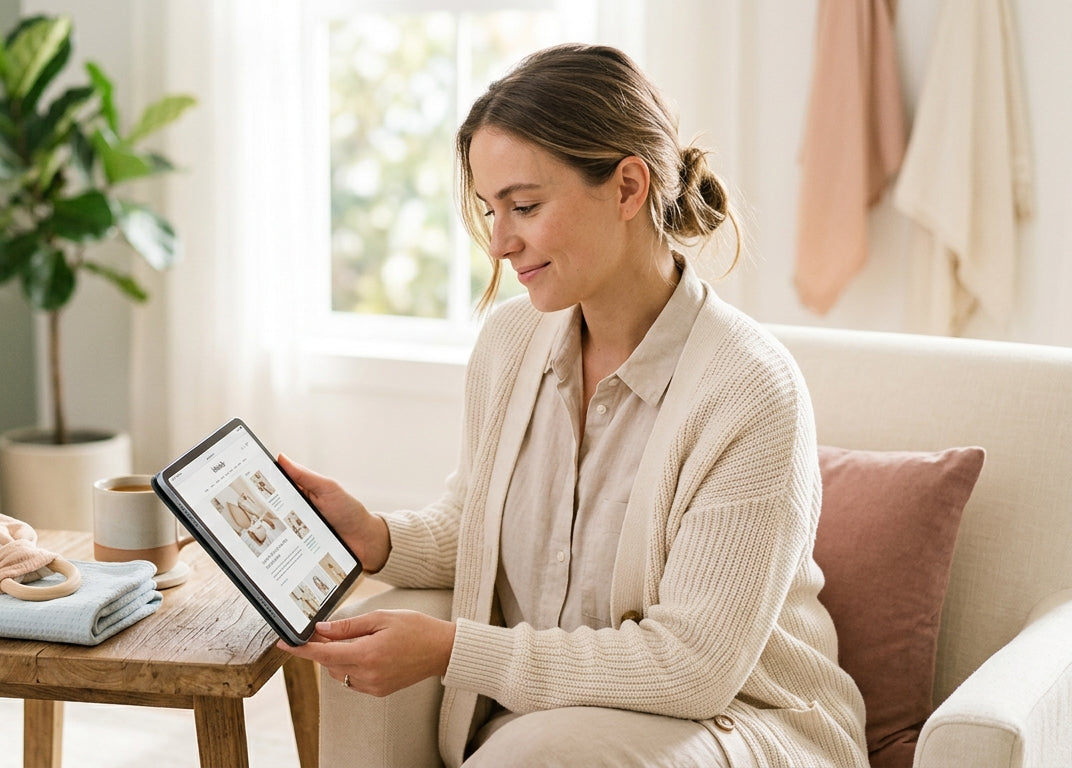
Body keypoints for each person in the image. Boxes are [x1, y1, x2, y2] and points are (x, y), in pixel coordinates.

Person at [277, 43, 868, 767]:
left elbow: (694, 666)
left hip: (742, 722)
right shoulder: (512, 340)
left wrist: (455, 649)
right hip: (561, 727)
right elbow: (486, 525)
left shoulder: (750, 391)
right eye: (491, 210)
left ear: (626, 188)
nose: (498, 242)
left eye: (523, 206)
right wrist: (376, 538)